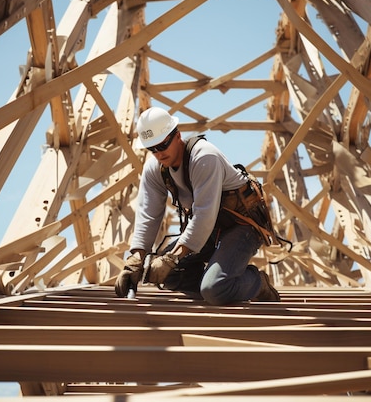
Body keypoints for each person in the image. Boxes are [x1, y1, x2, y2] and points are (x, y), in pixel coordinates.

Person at [114, 106, 280, 304]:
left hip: (242, 226)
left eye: (162, 145)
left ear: (177, 136)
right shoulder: (155, 169)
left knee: (213, 288)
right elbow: (148, 215)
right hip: (211, 230)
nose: (158, 154)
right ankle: (223, 283)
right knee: (163, 274)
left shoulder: (204, 157)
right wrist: (136, 259)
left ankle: (255, 283)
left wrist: (170, 259)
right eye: (152, 149)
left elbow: (203, 217)